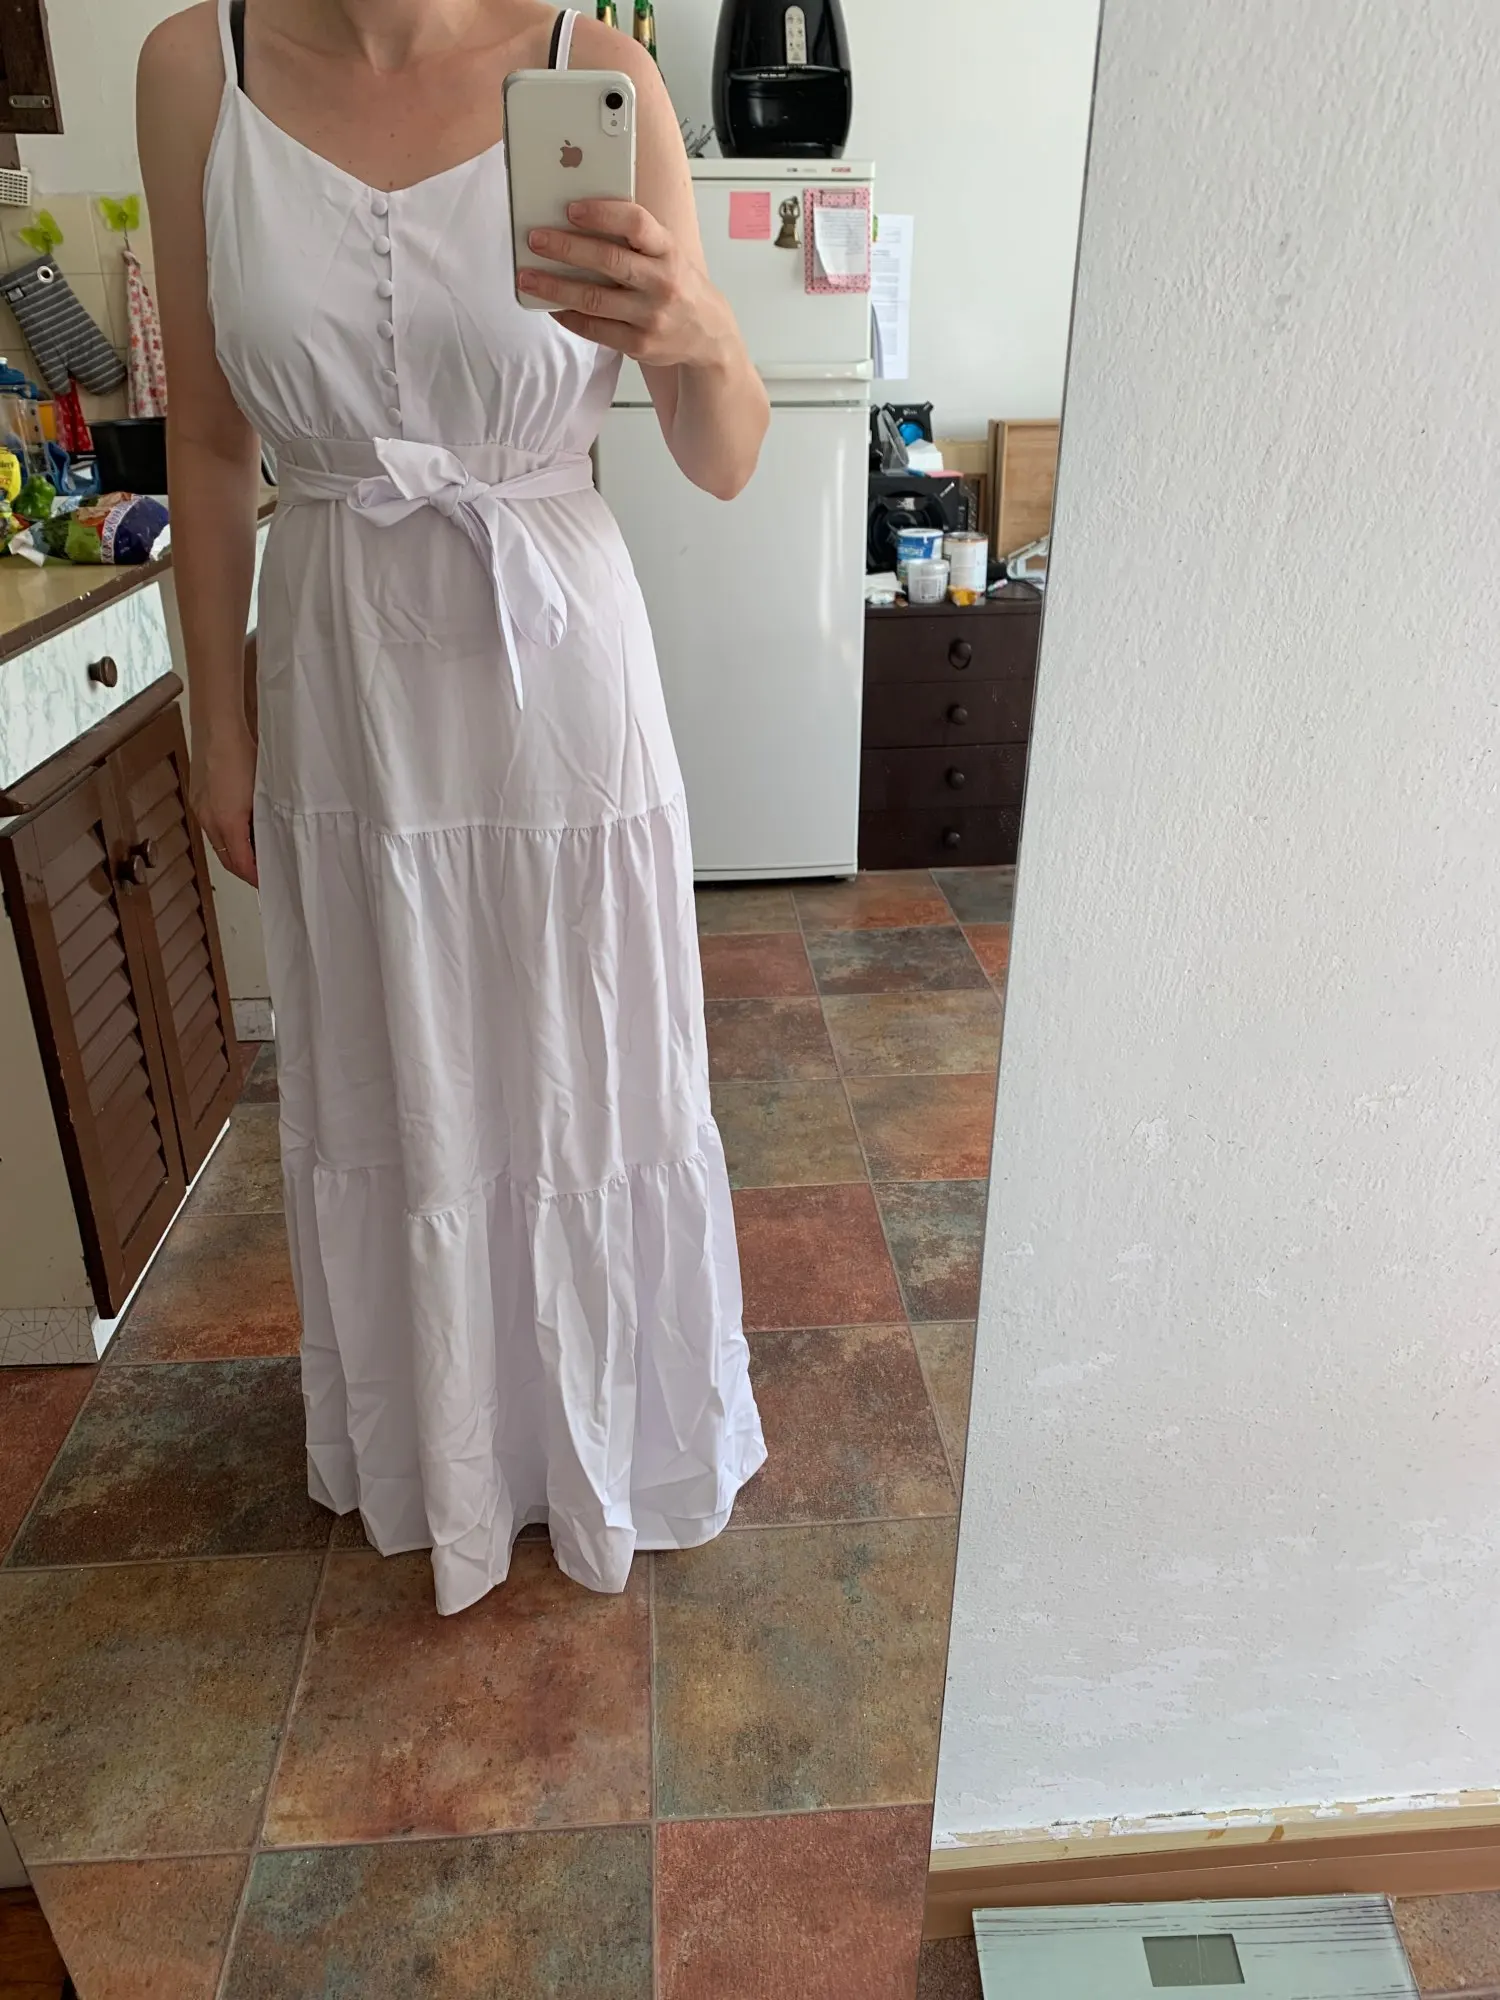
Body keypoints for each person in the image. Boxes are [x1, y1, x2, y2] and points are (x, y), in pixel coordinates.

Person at [137, 0, 769, 1615]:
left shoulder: (596, 70)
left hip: (557, 672)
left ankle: (607, 1440)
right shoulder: (197, 69)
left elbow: (723, 457)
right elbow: (205, 438)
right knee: (392, 1066)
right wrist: (217, 723)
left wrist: (696, 329)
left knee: (584, 1074)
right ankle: (448, 1454)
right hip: (340, 670)